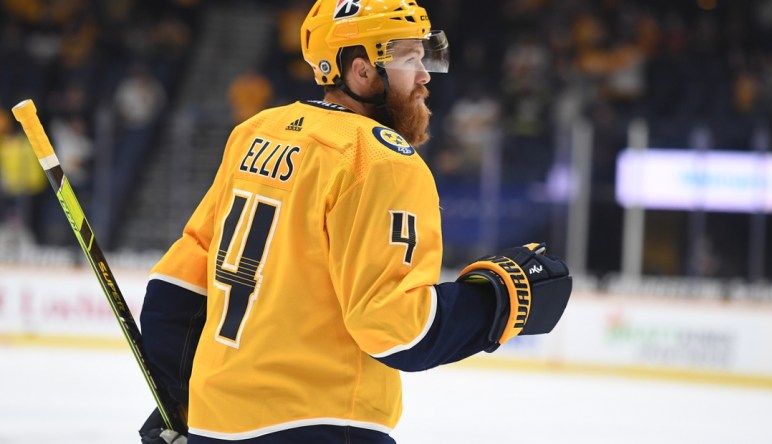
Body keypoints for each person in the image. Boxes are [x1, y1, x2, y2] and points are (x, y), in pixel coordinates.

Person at [138, 1, 572, 443]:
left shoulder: (257, 131)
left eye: (424, 57)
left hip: (217, 424)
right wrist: (501, 300)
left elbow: (175, 292)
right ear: (362, 71)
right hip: (323, 423)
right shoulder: (379, 159)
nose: (424, 75)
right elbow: (397, 329)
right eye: (408, 58)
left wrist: (180, 403)